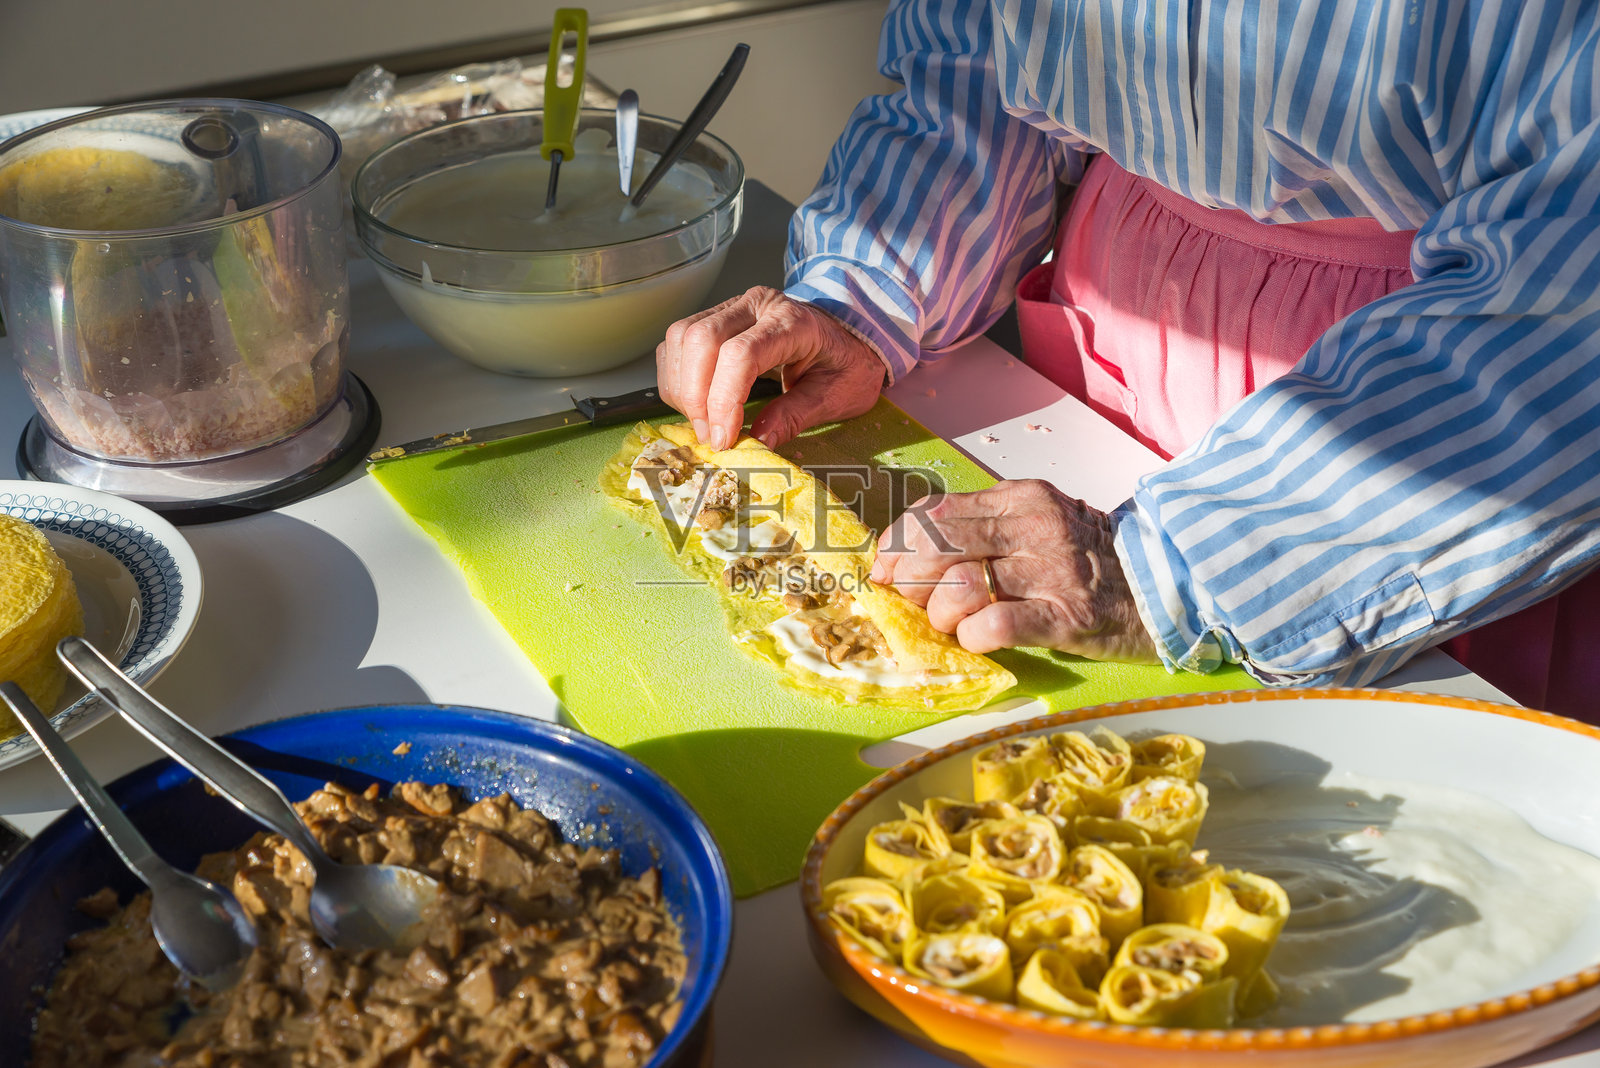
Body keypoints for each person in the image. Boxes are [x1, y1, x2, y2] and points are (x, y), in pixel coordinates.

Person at [655, 0, 1600, 718]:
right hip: (1090, 361)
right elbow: (979, 73)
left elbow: (1572, 293)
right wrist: (864, 289)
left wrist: (1194, 565)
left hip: (1414, 466)